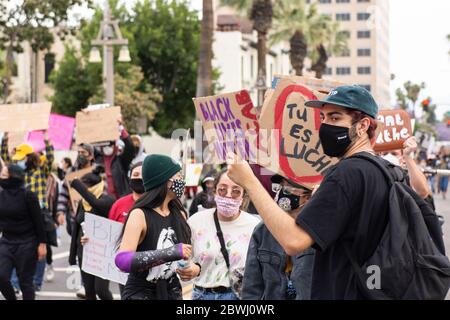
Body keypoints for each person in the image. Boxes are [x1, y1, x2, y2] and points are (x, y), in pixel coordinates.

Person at [228, 85, 396, 299]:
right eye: (323, 118)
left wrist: (249, 182)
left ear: (363, 126)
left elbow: (293, 242)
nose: (325, 126)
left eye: (335, 119)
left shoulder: (346, 173)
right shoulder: (387, 171)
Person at [115, 154, 192, 300]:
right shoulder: (139, 214)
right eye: (178, 176)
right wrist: (169, 252)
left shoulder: (180, 214)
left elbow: (185, 255)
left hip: (172, 292)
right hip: (141, 293)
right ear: (165, 181)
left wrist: (194, 269)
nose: (182, 181)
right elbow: (122, 260)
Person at [178, 169, 260, 300]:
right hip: (202, 295)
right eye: (222, 189)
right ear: (215, 191)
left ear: (243, 195)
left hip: (238, 296)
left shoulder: (255, 226)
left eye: (236, 191)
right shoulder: (196, 221)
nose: (228, 195)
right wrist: (188, 268)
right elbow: (183, 257)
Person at [242, 175, 314, 300]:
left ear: (307, 197)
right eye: (278, 188)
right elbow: (251, 286)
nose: (280, 193)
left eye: (286, 190)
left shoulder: (319, 232)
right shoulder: (264, 230)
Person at [1, 131, 55, 292]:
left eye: (21, 159)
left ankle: (36, 282)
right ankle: (16, 284)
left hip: (39, 212)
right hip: (21, 212)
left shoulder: (40, 171)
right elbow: (5, 158)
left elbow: (50, 159)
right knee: (19, 252)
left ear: (29, 157)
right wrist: (5, 139)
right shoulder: (17, 174)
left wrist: (46, 139)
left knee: (41, 247)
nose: (18, 162)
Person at [0, 164, 47, 300]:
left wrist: (42, 244)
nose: (0, 177)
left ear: (13, 177)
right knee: (1, 277)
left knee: (25, 282)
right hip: (7, 241)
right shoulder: (1, 195)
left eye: (3, 175)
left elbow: (39, 222)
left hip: (27, 242)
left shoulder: (28, 195)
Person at [68, 167, 114, 300]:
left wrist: (77, 184)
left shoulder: (107, 201)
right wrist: (72, 255)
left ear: (95, 187)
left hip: (101, 254)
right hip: (85, 252)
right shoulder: (83, 203)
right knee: (89, 291)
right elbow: (76, 228)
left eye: (85, 187)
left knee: (101, 290)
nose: (83, 191)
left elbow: (95, 202)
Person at [56, 143, 95, 237]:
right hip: (75, 219)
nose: (80, 155)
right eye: (79, 152)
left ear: (90, 156)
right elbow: (64, 194)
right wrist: (60, 212)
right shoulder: (72, 172)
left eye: (83, 152)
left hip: (94, 218)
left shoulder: (97, 171)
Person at [97, 116, 135, 200]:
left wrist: (121, 128)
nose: (107, 147)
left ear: (115, 145)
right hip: (101, 203)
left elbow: (130, 147)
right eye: (105, 144)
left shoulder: (121, 161)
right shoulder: (97, 160)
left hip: (119, 200)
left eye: (110, 144)